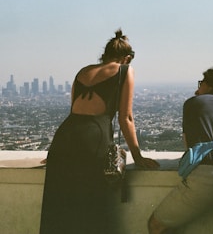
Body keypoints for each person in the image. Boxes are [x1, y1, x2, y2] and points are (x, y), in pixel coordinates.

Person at [39, 29, 160, 234]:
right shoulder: (125, 70)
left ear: (104, 54)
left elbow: (74, 110)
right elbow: (126, 117)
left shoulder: (83, 71)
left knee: (59, 206)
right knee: (92, 206)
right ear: (127, 58)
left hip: (65, 137)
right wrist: (137, 156)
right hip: (94, 137)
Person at [148, 65, 213, 234]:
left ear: (211, 85)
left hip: (206, 173)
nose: (197, 90)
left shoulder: (194, 103)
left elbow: (189, 145)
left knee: (157, 224)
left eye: (201, 84)